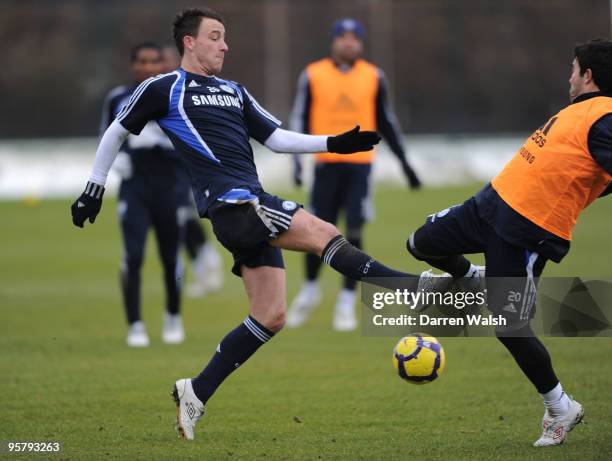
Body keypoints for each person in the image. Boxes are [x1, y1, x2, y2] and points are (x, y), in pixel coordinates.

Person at [70, 7, 438, 440]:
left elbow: (277, 139)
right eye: (215, 36)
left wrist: (334, 143)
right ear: (189, 42)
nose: (224, 44)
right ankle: (413, 289)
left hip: (248, 208)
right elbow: (116, 131)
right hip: (235, 205)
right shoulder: (164, 87)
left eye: (225, 37)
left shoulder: (234, 91)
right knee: (324, 234)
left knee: (271, 315)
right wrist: (93, 187)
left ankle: (196, 391)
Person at [406, 39, 612, 446]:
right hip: (490, 203)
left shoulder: (604, 118)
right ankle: (472, 276)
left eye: (573, 68)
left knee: (509, 324)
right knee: (420, 243)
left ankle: (559, 407)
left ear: (587, 75)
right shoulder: (583, 113)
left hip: (526, 230)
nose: (569, 75)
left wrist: (576, 195)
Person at [286, 18, 421, 331]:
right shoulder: (313, 74)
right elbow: (299, 118)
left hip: (360, 167)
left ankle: (346, 300)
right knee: (314, 231)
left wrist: (405, 163)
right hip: (325, 164)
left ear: (361, 43)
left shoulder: (374, 76)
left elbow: (386, 120)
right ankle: (309, 290)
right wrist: (295, 163)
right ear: (333, 41)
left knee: (355, 230)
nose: (348, 42)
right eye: (342, 37)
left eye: (354, 38)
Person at [100, 42, 194, 347]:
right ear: (133, 65)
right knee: (134, 255)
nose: (149, 67)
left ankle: (173, 316)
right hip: (136, 186)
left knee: (171, 257)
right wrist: (119, 162)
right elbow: (107, 136)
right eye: (142, 61)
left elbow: (187, 139)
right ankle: (135, 324)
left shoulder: (176, 94)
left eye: (155, 61)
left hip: (170, 185)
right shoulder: (117, 97)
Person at [161, 44, 224, 298]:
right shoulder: (161, 90)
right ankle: (205, 265)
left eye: (163, 60)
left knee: (184, 217)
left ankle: (207, 264)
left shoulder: (183, 89)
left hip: (188, 168)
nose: (160, 65)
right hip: (166, 170)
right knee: (181, 219)